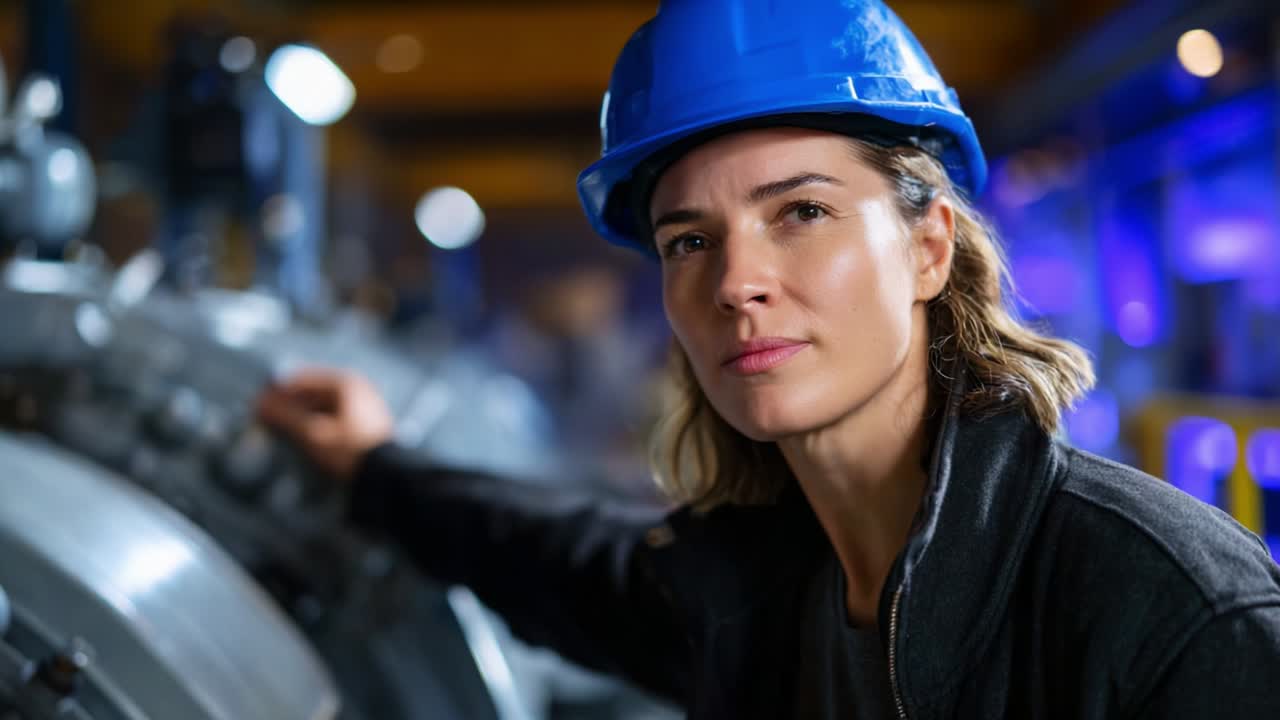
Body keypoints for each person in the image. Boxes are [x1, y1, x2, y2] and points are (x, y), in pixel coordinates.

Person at [258, 1, 1280, 717]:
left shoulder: (1167, 612)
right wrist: (374, 469)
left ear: (926, 249)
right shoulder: (750, 587)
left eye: (801, 212)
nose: (735, 282)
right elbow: (558, 557)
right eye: (688, 240)